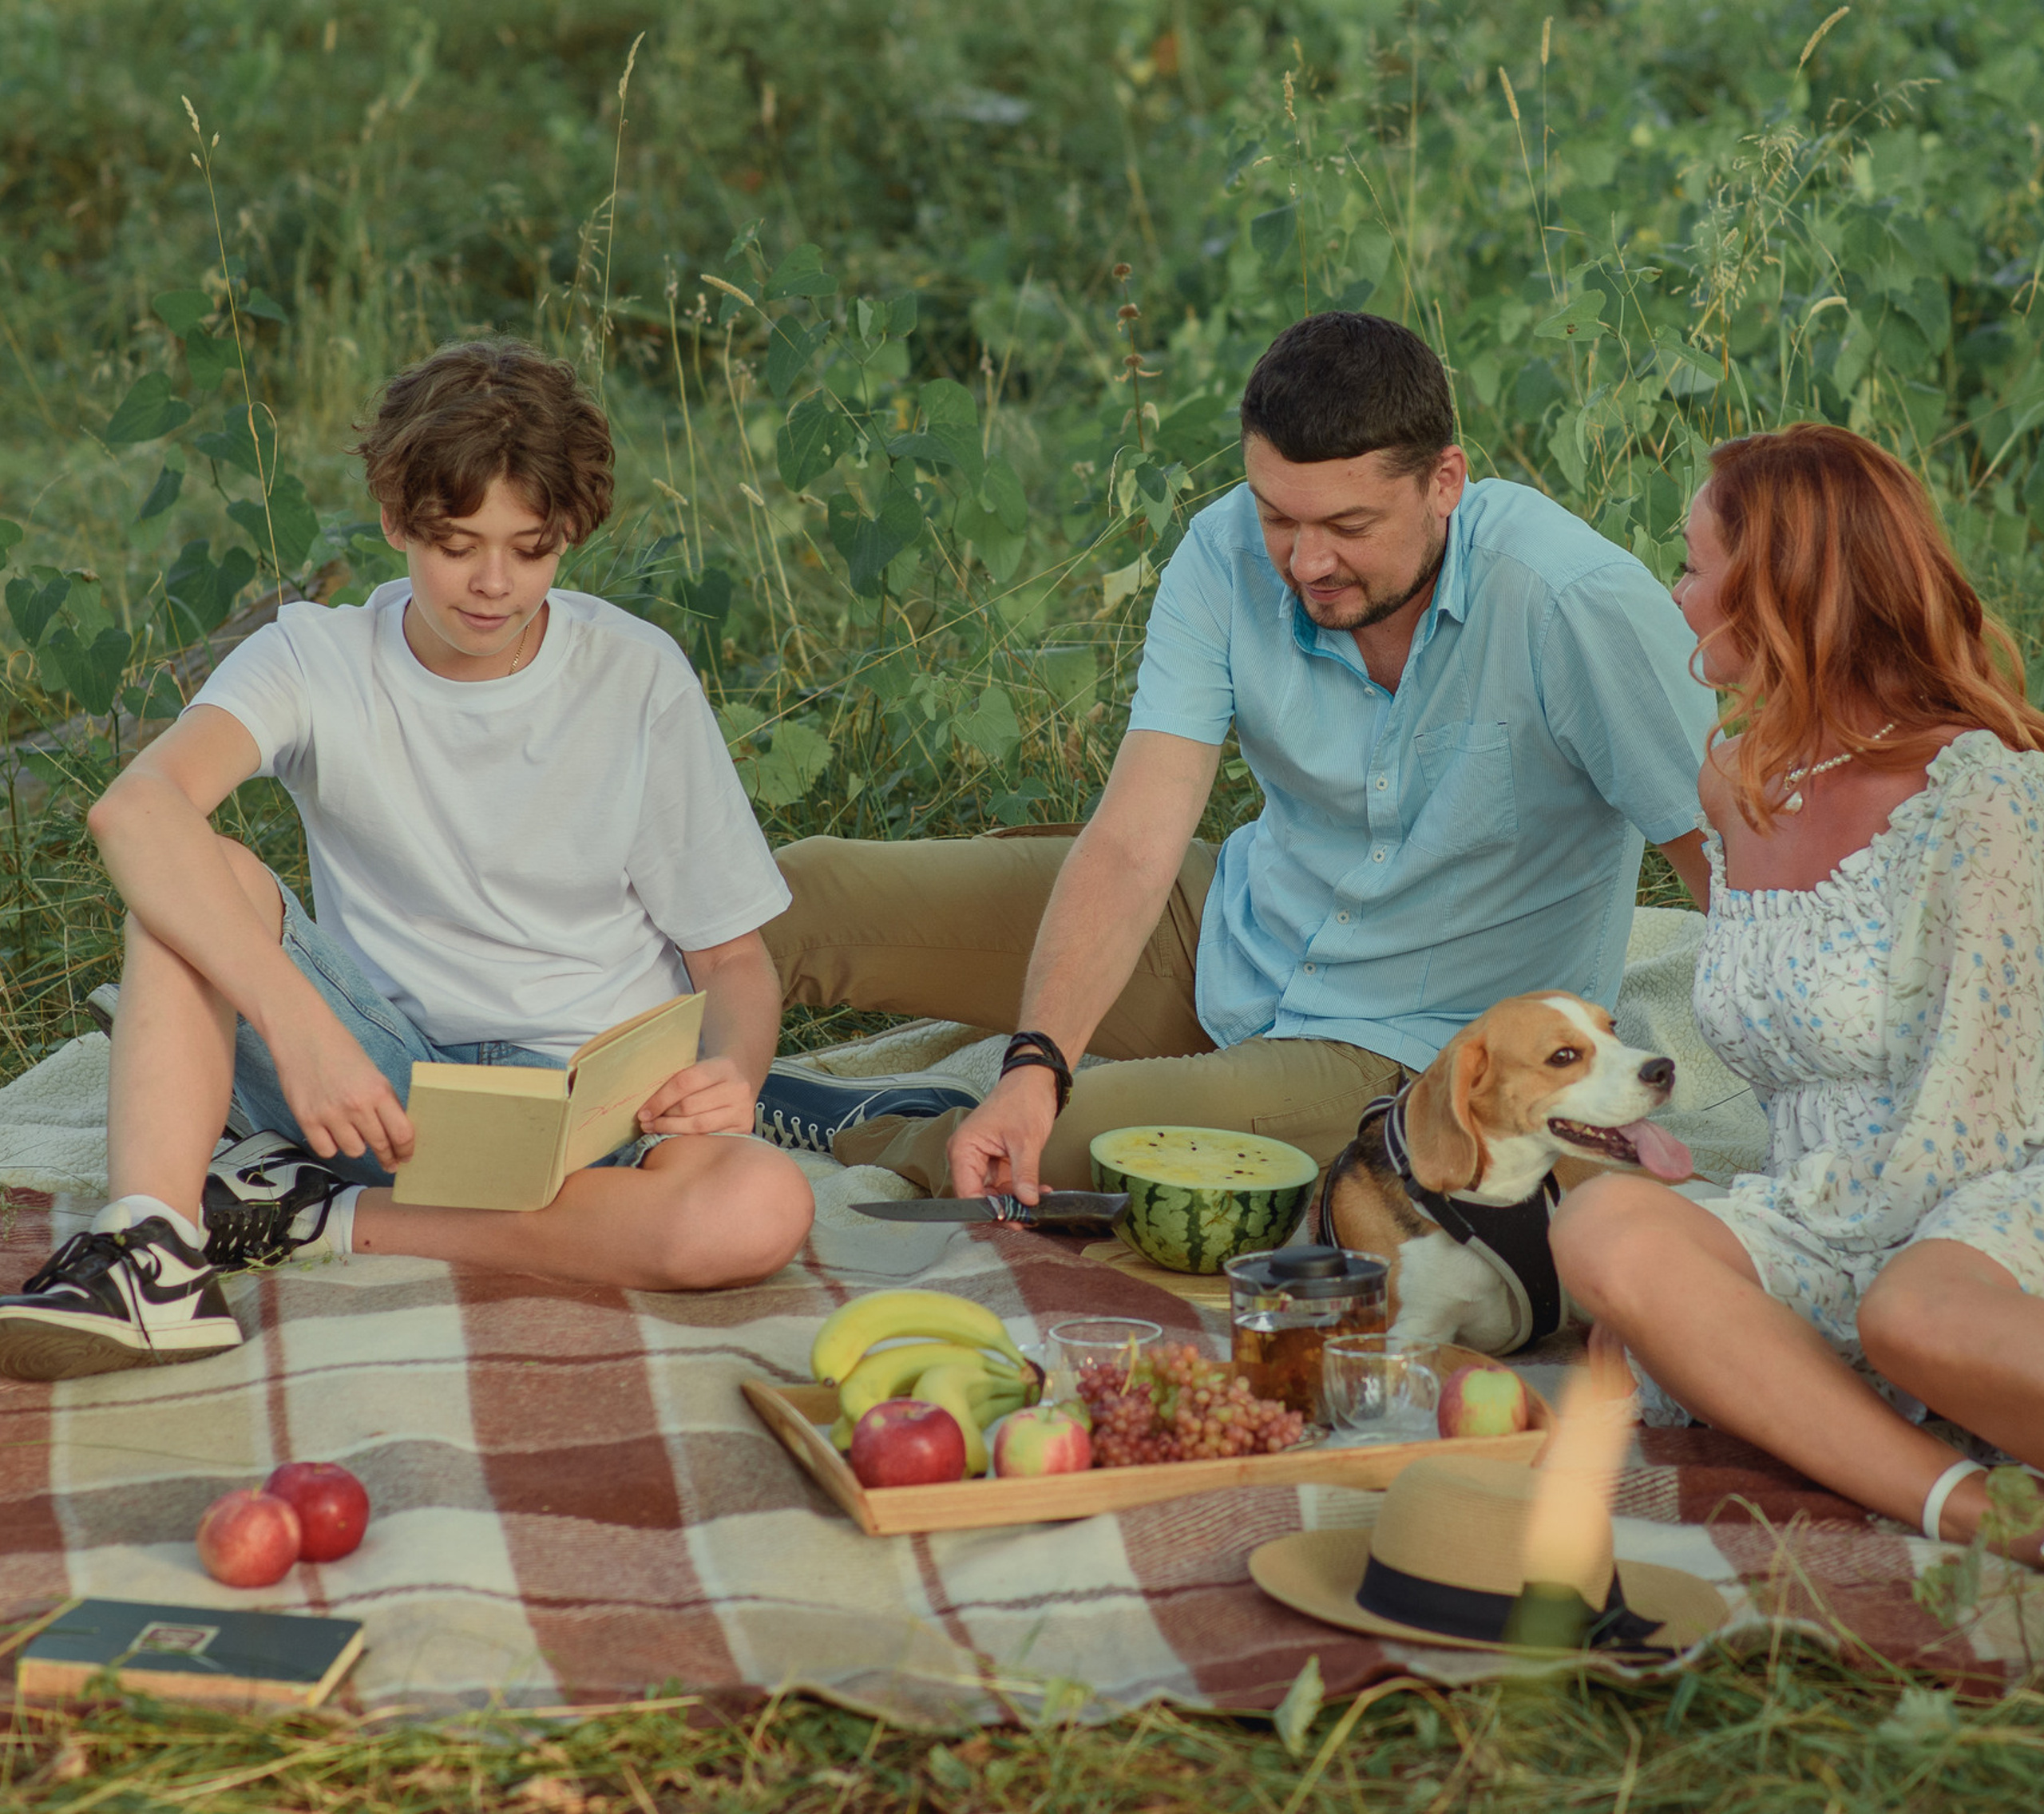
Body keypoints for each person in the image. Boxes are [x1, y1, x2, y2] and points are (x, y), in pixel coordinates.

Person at [755, 312, 1717, 1199]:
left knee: (1065, 1138)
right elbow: (1134, 839)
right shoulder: (1221, 552)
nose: (1304, 563)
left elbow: (1726, 871)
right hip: (1239, 933)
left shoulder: (1571, 600)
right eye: (1277, 516)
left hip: (1410, 1053)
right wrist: (1035, 1056)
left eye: (1346, 526)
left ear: (1444, 483)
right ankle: (617, 1076)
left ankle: (877, 1132)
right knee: (797, 892)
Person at [0, 338, 817, 1383]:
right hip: (371, 1085)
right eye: (456, 543)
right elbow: (135, 810)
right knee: (210, 878)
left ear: (568, 537)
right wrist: (300, 1028)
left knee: (760, 1209)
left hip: (585, 1105)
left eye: (530, 550)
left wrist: (731, 1079)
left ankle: (319, 1221)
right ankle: (151, 1249)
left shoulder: (637, 676)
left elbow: (735, 965)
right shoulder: (315, 655)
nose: (492, 584)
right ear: (395, 523)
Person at [1551, 422, 2044, 1555]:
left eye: (1690, 563)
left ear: (1774, 583)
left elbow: (1986, 1108)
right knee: (1605, 1234)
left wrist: (1836, 1305)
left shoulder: (1984, 793)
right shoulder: (1740, 782)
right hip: (1819, 1208)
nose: (1674, 593)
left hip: (1991, 1201)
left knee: (1910, 1315)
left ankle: (1859, 1392)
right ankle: (1973, 1508)